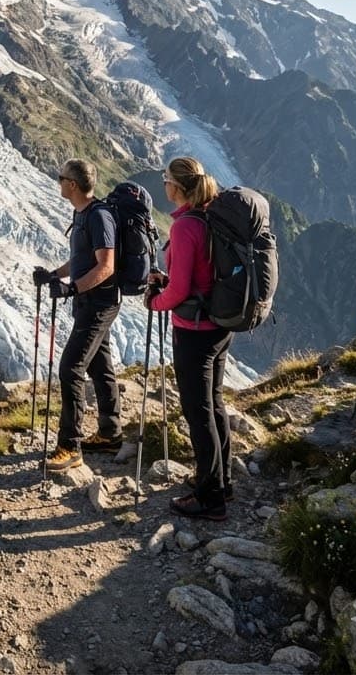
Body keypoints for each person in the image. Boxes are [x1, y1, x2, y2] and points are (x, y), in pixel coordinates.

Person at [146, 156, 231, 521]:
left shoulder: (184, 228)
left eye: (166, 179)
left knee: (198, 413)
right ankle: (221, 481)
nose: (163, 185)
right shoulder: (213, 215)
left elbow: (179, 290)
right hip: (220, 324)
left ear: (176, 187)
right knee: (213, 404)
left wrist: (155, 301)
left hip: (194, 330)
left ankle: (210, 498)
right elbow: (199, 277)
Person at [33, 158, 123, 472]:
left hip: (99, 303)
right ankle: (111, 433)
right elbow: (82, 259)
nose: (58, 182)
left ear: (72, 184)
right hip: (90, 301)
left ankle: (69, 446)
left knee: (70, 368)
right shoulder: (83, 213)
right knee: (100, 366)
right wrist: (54, 275)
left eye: (61, 178)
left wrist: (73, 289)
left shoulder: (98, 216)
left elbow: (106, 266)